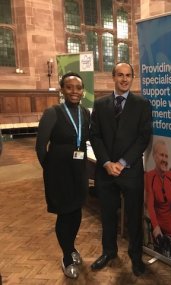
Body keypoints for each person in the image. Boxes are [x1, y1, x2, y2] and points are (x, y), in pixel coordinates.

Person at [89, 62, 152, 276]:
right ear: (113, 77)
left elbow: (144, 137)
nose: (124, 79)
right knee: (107, 214)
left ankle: (136, 256)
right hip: (105, 171)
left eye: (128, 75)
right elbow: (95, 136)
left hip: (131, 170)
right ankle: (109, 252)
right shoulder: (100, 104)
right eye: (120, 75)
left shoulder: (142, 104)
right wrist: (106, 163)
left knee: (134, 217)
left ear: (132, 78)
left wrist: (123, 162)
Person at [35, 72, 90, 279]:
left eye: (78, 88)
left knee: (76, 212)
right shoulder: (53, 112)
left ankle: (72, 246)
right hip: (58, 173)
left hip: (78, 171)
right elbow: (40, 147)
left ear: (82, 91)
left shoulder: (84, 112)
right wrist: (49, 170)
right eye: (69, 87)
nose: (74, 91)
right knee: (64, 214)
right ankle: (67, 255)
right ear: (62, 89)